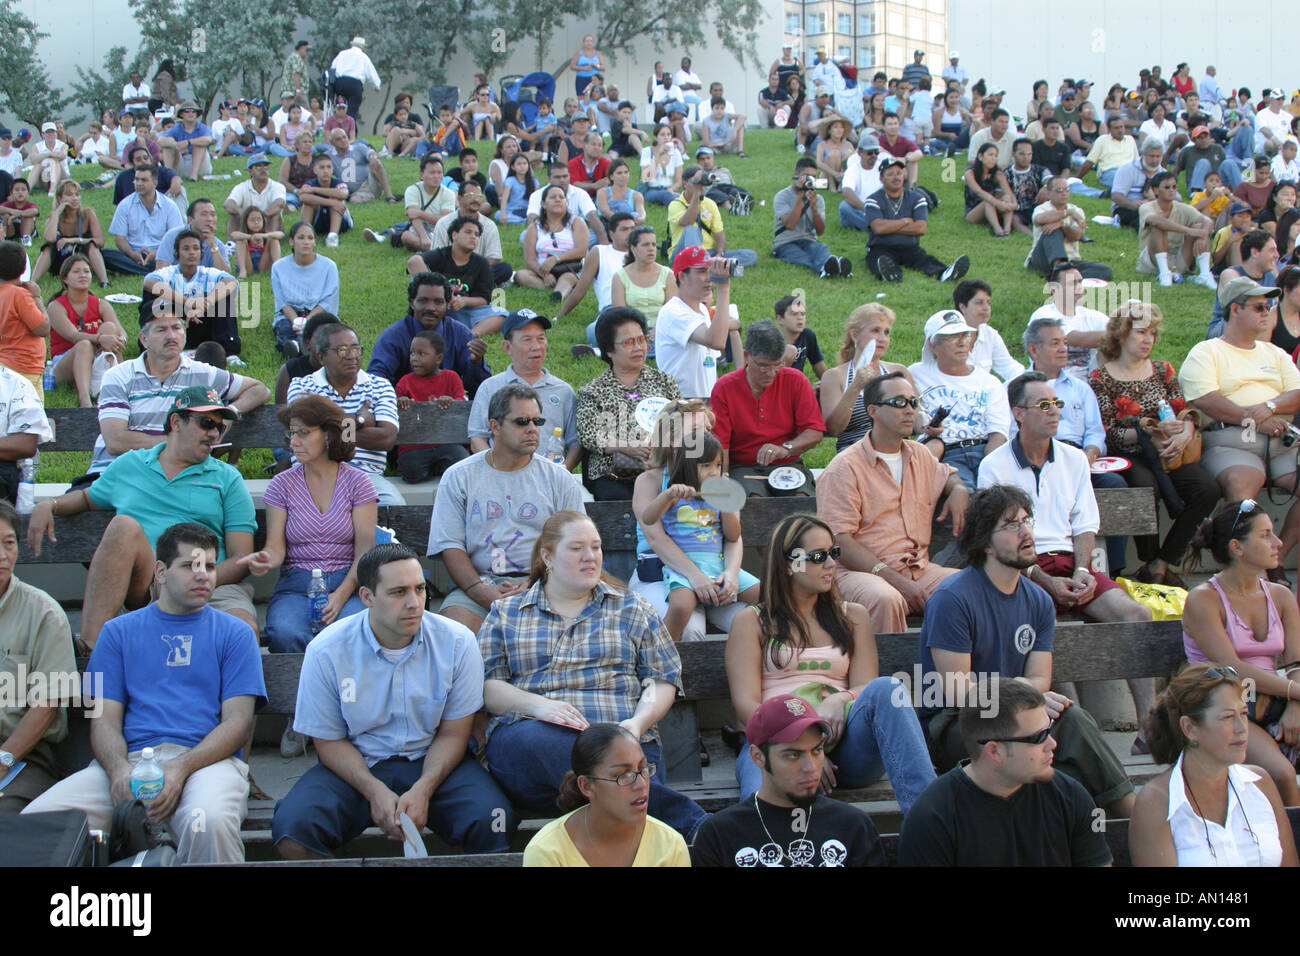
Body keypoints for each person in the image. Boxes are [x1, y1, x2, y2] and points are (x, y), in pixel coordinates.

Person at [22, 522, 263, 862]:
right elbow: (103, 720)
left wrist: (180, 769)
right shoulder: (117, 633)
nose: (203, 575)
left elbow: (238, 724)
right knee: (40, 822)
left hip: (205, 764)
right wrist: (119, 770)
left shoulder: (235, 634)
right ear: (161, 572)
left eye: (209, 566)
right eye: (190, 566)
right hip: (129, 762)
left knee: (206, 822)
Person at [263, 541, 517, 858]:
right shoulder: (327, 649)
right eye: (399, 592)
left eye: (420, 589)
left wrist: (424, 788)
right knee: (293, 829)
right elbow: (328, 742)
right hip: (357, 763)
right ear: (367, 597)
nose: (414, 603)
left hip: (433, 760)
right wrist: (373, 790)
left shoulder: (456, 642)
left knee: (494, 820)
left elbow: (455, 733)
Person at [479, 510, 706, 840]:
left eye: (596, 547)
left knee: (617, 757)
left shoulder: (633, 608)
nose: (590, 557)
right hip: (533, 756)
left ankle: (621, 786)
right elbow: (488, 685)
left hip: (627, 745)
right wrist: (539, 708)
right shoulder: (507, 613)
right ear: (548, 556)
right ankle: (694, 828)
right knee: (542, 741)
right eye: (576, 548)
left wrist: (638, 723)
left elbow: (661, 680)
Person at [915, 484, 1137, 816]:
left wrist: (1023, 701)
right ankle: (1133, 815)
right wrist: (1021, 699)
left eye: (1026, 520)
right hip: (956, 724)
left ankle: (1126, 820)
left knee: (1070, 736)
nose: (1026, 531)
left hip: (1017, 719)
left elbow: (1040, 678)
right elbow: (959, 691)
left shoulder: (1038, 601)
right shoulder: (953, 598)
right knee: (1060, 740)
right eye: (1011, 525)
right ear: (985, 543)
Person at [728, 510, 937, 810]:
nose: (830, 564)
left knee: (888, 689)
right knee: (757, 810)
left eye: (833, 553)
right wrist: (805, 749)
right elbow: (747, 706)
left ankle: (929, 822)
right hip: (777, 744)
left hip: (849, 746)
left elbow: (866, 685)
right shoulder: (752, 622)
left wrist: (839, 700)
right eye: (817, 556)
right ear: (788, 564)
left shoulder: (853, 616)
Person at [979, 372, 1155, 720]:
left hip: (1070, 564)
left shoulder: (1074, 459)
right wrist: (1046, 582)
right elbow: (996, 540)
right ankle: (1077, 722)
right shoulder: (994, 466)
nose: (1054, 411)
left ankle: (1149, 726)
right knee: (1046, 621)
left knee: (1137, 614)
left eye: (1056, 404)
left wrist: (1083, 570)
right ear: (1018, 413)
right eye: (1043, 405)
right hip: (1021, 570)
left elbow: (1086, 523)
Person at [27, 385, 260, 648]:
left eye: (220, 427)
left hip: (210, 581)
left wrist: (193, 577)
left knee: (244, 630)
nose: (214, 434)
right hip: (151, 580)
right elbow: (86, 498)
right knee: (124, 526)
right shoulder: (131, 465)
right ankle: (91, 650)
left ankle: (241, 690)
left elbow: (241, 559)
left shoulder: (227, 478)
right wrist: (50, 504)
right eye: (207, 423)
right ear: (176, 422)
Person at [899, 678, 1114, 866]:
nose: (1053, 743)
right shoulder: (932, 818)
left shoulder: (1071, 797)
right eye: (1038, 737)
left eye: (1048, 730)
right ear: (995, 750)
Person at [427, 384, 584, 633]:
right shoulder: (459, 476)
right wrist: (479, 590)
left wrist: (537, 581)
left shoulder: (558, 478)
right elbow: (450, 545)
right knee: (453, 635)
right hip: (479, 583)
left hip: (547, 582)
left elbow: (577, 544)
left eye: (537, 421)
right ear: (495, 427)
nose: (532, 429)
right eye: (522, 422)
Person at [817, 371, 967, 632]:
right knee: (886, 599)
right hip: (861, 574)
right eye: (899, 403)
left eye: (913, 402)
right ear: (873, 411)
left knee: (970, 589)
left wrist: (959, 489)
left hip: (920, 570)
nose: (909, 410)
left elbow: (948, 476)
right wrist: (894, 579)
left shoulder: (920, 454)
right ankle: (882, 673)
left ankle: (952, 672)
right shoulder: (845, 467)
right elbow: (840, 542)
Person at [1088, 304, 1220, 585]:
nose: (1148, 339)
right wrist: (1150, 431)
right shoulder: (1101, 378)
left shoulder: (1163, 370)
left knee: (1207, 488)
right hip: (1130, 454)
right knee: (1145, 487)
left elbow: (1183, 410)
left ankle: (1162, 561)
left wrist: (1184, 433)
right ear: (1121, 336)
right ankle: (1150, 560)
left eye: (1152, 333)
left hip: (1171, 453)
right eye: (1140, 332)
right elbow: (1109, 432)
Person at [1179, 502, 1300, 804]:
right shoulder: (1203, 599)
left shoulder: (1281, 595)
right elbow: (1231, 668)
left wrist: (1295, 704)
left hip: (1279, 701)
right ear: (1237, 547)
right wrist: (1295, 692)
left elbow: (1296, 662)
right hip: (1225, 704)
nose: (1278, 543)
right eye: (1266, 535)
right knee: (1281, 774)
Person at [238, 394, 376, 655]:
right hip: (297, 586)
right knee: (287, 633)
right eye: (291, 433)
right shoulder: (282, 484)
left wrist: (342, 593)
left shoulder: (358, 483)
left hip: (349, 580)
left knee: (355, 631)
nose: (294, 441)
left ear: (328, 435)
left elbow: (365, 553)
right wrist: (264, 559)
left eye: (303, 433)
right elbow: (276, 549)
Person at [1181, 276, 1300, 576]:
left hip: (1281, 443)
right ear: (1235, 309)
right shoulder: (1206, 352)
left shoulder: (1275, 353)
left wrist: (1269, 408)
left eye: (1269, 306)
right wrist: (1255, 419)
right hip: (1232, 440)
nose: (1267, 312)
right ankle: (1239, 571)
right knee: (1242, 488)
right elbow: (1206, 400)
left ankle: (1276, 558)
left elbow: (1297, 393)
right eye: (1260, 306)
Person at [1131, 663, 1297, 867]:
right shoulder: (1156, 801)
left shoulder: (1260, 783)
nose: (1242, 728)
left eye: (1244, 714)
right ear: (1189, 728)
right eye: (1227, 717)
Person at [690, 693, 885, 867]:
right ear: (758, 756)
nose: (810, 767)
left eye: (816, 751)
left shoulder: (853, 826)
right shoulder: (720, 833)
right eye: (793, 755)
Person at [85, 306, 268, 478]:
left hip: (173, 477)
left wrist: (230, 414)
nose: (171, 336)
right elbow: (116, 442)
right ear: (143, 339)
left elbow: (259, 390)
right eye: (161, 329)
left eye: (176, 327)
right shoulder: (118, 376)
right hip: (114, 473)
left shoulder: (202, 373)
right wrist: (182, 443)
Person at [638, 431, 760, 640]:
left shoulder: (720, 495)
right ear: (687, 465)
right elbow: (648, 519)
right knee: (681, 606)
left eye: (718, 465)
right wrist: (667, 496)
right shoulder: (675, 494)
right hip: (684, 569)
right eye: (706, 466)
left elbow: (733, 536)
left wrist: (728, 507)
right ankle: (660, 654)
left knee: (766, 595)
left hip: (719, 565)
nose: (714, 472)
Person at [0, 498, 76, 813]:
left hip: (20, 756)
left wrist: (3, 760)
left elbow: (46, 706)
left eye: (9, 543)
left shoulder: (42, 612)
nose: (4, 556)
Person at [523, 723, 688, 867]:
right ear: (587, 786)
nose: (641, 784)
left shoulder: (670, 845)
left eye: (643, 768)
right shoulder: (547, 850)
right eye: (622, 775)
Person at [287, 323, 403, 506]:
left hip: (366, 477)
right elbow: (306, 433)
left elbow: (386, 438)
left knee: (393, 505)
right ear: (321, 357)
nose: (352, 356)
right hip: (313, 475)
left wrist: (327, 428)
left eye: (356, 349)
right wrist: (360, 419)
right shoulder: (302, 385)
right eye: (341, 350)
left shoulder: (380, 385)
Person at [710, 319, 825, 495]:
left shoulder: (795, 380)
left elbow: (814, 431)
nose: (771, 373)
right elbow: (721, 445)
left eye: (777, 365)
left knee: (800, 500)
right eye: (764, 366)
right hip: (743, 468)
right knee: (754, 503)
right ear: (747, 356)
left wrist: (786, 448)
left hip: (787, 463)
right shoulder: (725, 387)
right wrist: (723, 479)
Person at [576, 307, 680, 500]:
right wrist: (625, 446)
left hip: (662, 467)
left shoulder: (665, 382)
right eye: (629, 342)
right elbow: (588, 435)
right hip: (613, 473)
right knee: (617, 499)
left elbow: (682, 422)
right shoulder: (593, 391)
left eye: (642, 340)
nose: (639, 347)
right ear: (608, 349)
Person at [909, 310, 1011, 490]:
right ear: (933, 346)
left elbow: (998, 433)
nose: (962, 342)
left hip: (984, 451)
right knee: (967, 494)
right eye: (952, 337)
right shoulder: (916, 374)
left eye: (965, 335)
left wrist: (989, 468)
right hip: (944, 452)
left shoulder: (989, 382)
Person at [468, 309, 579, 469]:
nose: (536, 347)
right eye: (527, 340)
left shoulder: (563, 390)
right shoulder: (491, 387)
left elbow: (575, 442)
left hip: (551, 477)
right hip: (503, 475)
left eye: (541, 339)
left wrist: (562, 473)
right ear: (507, 347)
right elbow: (477, 438)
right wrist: (497, 469)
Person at [368, 271, 490, 393]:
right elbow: (376, 381)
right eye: (423, 300)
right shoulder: (392, 337)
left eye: (438, 302)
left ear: (447, 305)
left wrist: (476, 361)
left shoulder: (460, 334)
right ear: (412, 303)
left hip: (450, 407)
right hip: (403, 407)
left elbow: (481, 388)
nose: (431, 308)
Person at [819, 304, 914, 452]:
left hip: (897, 451)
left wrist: (928, 424)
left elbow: (916, 416)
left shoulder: (897, 371)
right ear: (855, 335)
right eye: (875, 331)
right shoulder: (835, 376)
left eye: (886, 332)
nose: (882, 338)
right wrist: (855, 387)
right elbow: (834, 428)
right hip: (854, 455)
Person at [654, 246, 741, 399]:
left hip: (704, 401)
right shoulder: (673, 312)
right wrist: (723, 289)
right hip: (681, 403)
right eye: (702, 271)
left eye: (710, 270)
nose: (709, 277)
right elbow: (716, 341)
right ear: (682, 277)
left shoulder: (702, 309)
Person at [864, 157, 969, 282]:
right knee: (878, 260)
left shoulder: (917, 198)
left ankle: (946, 274)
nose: (896, 177)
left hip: (909, 247)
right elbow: (879, 228)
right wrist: (905, 221)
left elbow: (920, 228)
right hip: (881, 246)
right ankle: (891, 276)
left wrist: (890, 227)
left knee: (924, 260)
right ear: (881, 179)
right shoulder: (873, 200)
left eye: (899, 173)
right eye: (890, 174)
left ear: (904, 175)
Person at [143, 229, 241, 356]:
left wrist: (206, 303)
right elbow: (149, 282)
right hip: (175, 323)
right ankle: (152, 347)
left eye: (195, 248)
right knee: (153, 298)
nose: (192, 253)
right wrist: (187, 302)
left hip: (202, 324)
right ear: (177, 253)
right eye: (186, 248)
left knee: (223, 298)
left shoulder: (207, 272)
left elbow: (231, 281)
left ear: (201, 253)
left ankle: (227, 352)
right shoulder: (168, 272)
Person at [46, 254, 125, 407]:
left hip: (97, 357)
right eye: (76, 272)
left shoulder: (101, 304)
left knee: (110, 327)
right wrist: (101, 339)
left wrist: (119, 339)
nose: (83, 275)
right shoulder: (56, 306)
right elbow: (73, 336)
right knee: (84, 344)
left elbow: (121, 331)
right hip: (65, 362)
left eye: (87, 271)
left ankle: (113, 389)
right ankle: (84, 400)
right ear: (65, 279)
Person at [392, 329, 468, 483]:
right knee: (410, 471)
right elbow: (393, 401)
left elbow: (462, 402)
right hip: (414, 445)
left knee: (460, 461)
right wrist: (401, 402)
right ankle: (432, 468)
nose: (415, 358)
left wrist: (452, 401)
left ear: (438, 358)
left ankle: (438, 468)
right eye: (412, 353)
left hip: (447, 442)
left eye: (422, 354)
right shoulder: (406, 381)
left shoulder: (451, 378)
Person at [1029, 260, 1111, 381]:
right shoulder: (1043, 315)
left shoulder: (1093, 316)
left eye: (1080, 282)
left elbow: (1118, 331)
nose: (1079, 288)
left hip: (1089, 387)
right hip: (1051, 384)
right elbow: (1078, 339)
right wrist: (1121, 333)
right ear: (1053, 289)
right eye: (1072, 283)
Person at [773, 157, 852, 279]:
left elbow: (820, 231)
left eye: (813, 177)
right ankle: (825, 269)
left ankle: (835, 267)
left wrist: (814, 208)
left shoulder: (818, 198)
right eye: (806, 176)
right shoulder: (782, 196)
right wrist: (800, 196)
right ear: (796, 175)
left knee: (821, 248)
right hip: (786, 242)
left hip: (809, 240)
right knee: (802, 257)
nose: (810, 181)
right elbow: (790, 224)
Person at [270, 221, 340, 356]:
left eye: (310, 238)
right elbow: (281, 301)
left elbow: (328, 301)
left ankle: (303, 345)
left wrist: (307, 321)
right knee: (284, 328)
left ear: (314, 242)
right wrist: (295, 321)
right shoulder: (278, 267)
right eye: (301, 238)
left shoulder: (329, 266)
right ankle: (296, 346)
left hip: (318, 313)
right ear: (291, 241)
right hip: (290, 314)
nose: (306, 242)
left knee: (322, 329)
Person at [1137, 171, 1217, 288]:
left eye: (1174, 187)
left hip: (1178, 258)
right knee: (1158, 228)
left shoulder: (1182, 207)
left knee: (1200, 227)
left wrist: (1204, 235)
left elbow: (1208, 221)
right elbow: (1155, 220)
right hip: (1152, 261)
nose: (1171, 190)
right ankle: (1164, 274)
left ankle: (1205, 274)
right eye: (1167, 187)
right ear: (1155, 190)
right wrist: (1188, 230)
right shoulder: (1146, 207)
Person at [513, 186, 589, 304]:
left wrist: (555, 259)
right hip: (543, 269)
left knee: (568, 277)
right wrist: (544, 275)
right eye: (553, 197)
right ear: (543, 204)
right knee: (520, 275)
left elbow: (581, 250)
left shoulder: (577, 222)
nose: (558, 200)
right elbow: (530, 260)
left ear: (566, 202)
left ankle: (558, 294)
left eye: (561, 197)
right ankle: (553, 287)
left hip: (570, 268)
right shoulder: (534, 227)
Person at [102, 164, 182, 276]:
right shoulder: (125, 205)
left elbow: (176, 238)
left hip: (161, 253)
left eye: (144, 180)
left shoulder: (169, 206)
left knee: (181, 256)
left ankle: (134, 270)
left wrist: (157, 253)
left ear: (155, 183)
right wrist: (132, 254)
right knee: (105, 255)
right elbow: (119, 239)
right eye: (136, 179)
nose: (139, 183)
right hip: (133, 254)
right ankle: (152, 270)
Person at [1027, 177, 1112, 280]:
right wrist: (1068, 213)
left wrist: (1062, 225)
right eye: (1059, 190)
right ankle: (1059, 270)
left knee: (1105, 270)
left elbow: (1078, 235)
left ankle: (1063, 277)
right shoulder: (1042, 208)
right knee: (1053, 230)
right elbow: (1039, 219)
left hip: (1071, 261)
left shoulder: (1077, 210)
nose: (1064, 193)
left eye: (1067, 190)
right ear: (1049, 193)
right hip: (1042, 259)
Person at [1209, 229, 1280, 337]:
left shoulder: (1270, 277)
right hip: (1224, 331)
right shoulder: (1230, 274)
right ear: (1255, 252)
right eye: (1272, 250)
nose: (1277, 255)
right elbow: (1244, 300)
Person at [0, 243, 48, 396]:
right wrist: (37, 297)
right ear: (23, 269)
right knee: (31, 417)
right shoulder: (19, 295)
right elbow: (43, 328)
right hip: (24, 367)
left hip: (4, 365)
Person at [952, 279, 1023, 382]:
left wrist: (1030, 380)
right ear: (963, 307)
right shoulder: (947, 337)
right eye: (979, 303)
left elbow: (1009, 367)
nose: (986, 308)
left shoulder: (990, 334)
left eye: (988, 303)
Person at [222, 153, 287, 241]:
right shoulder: (241, 187)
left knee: (275, 214)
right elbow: (228, 204)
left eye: (266, 166)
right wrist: (244, 214)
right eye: (258, 167)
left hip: (268, 223)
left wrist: (261, 216)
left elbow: (279, 203)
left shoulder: (278, 186)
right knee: (234, 214)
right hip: (247, 225)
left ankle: (269, 243)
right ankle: (231, 246)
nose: (263, 169)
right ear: (250, 171)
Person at [962, 142, 1016, 237]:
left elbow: (1009, 193)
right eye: (990, 155)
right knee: (988, 201)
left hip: (995, 209)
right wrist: (997, 203)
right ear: (980, 156)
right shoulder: (970, 173)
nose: (993, 158)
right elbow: (978, 191)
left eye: (995, 156)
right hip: (974, 212)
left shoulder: (997, 174)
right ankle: (998, 230)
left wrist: (1013, 205)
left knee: (1006, 197)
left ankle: (1007, 229)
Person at [1078, 113, 1139, 189]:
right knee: (1121, 179)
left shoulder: (1130, 139)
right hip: (1110, 172)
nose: (1120, 130)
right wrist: (1077, 179)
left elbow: (1137, 161)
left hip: (1129, 171)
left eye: (1121, 127)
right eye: (1116, 128)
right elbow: (1090, 162)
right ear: (1109, 129)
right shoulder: (1102, 140)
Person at [156, 101, 213, 182]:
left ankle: (193, 176)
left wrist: (188, 142)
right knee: (168, 147)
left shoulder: (202, 128)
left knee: (199, 144)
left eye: (193, 111)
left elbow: (208, 140)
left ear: (196, 114)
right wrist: (176, 145)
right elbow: (161, 140)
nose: (191, 113)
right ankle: (169, 176)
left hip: (201, 165)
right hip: (182, 162)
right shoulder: (177, 128)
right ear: (182, 114)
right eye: (187, 111)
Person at [839, 135, 883, 231]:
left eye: (876, 152)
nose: (874, 156)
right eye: (870, 153)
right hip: (860, 209)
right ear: (860, 153)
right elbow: (847, 192)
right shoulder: (852, 170)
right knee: (844, 207)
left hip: (881, 209)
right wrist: (867, 209)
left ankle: (876, 225)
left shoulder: (883, 168)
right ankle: (877, 227)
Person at [330, 37, 381, 120]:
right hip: (354, 84)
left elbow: (333, 67)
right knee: (352, 109)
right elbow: (371, 72)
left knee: (339, 106)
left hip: (340, 82)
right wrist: (376, 85)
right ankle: (350, 129)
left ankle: (338, 126)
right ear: (362, 47)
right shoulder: (363, 57)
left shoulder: (342, 53)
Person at [230, 206, 282, 279]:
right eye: (252, 220)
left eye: (259, 219)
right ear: (246, 221)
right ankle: (243, 271)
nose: (256, 222)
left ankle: (277, 270)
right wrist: (251, 237)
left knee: (274, 239)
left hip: (263, 263)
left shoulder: (265, 235)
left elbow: (280, 234)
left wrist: (264, 236)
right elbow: (233, 234)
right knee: (240, 240)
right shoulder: (243, 235)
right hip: (248, 263)